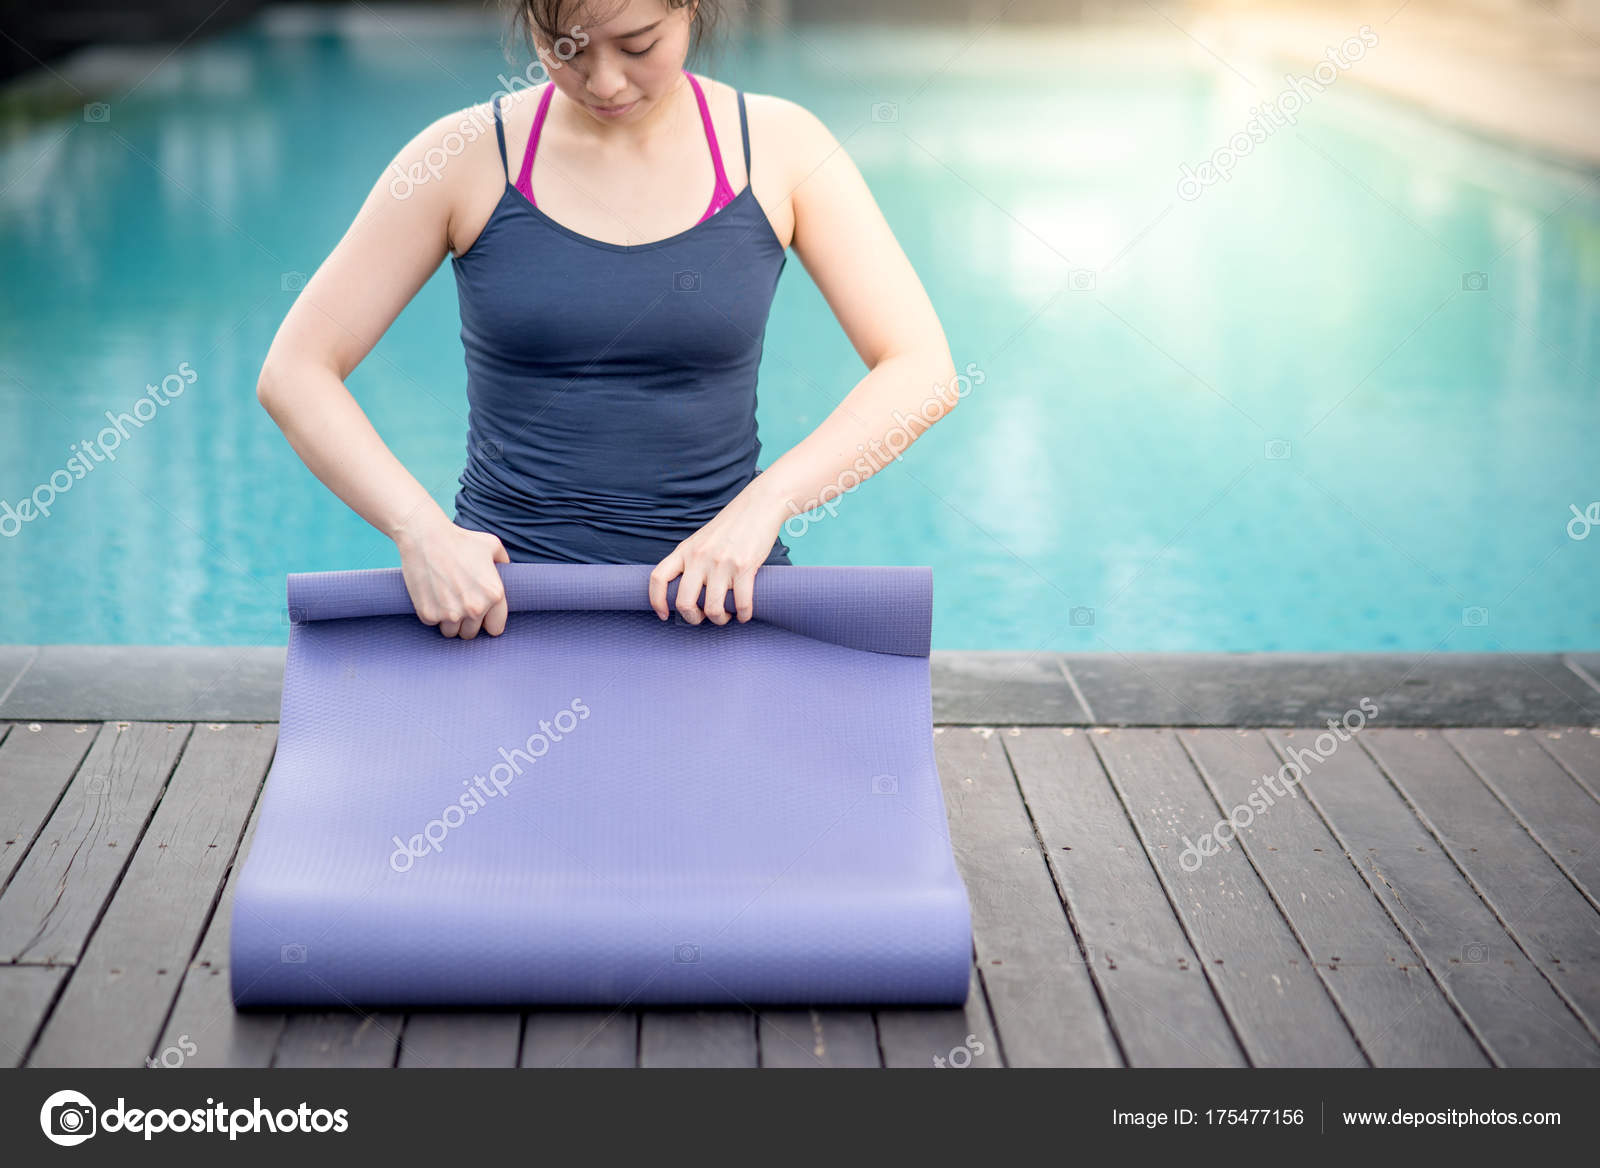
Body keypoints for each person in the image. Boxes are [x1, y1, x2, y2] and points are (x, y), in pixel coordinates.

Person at [256, 0, 960, 639]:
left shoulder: (779, 147)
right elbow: (296, 370)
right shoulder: (462, 157)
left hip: (720, 598)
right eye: (566, 48)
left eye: (637, 44)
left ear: (690, 11)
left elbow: (921, 368)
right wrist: (419, 531)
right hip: (498, 605)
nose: (605, 83)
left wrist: (764, 506)